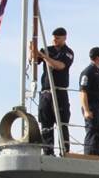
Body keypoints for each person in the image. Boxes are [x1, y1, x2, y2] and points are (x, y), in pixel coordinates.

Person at [29, 27, 75, 155]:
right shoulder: (47, 49)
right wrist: (32, 50)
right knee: (46, 123)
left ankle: (64, 151)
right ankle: (48, 151)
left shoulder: (68, 52)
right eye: (54, 38)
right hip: (46, 91)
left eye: (58, 38)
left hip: (59, 91)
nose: (55, 40)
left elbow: (59, 65)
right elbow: (33, 61)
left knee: (62, 122)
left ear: (64, 38)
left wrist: (44, 56)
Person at [79, 46, 99, 156]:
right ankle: (88, 157)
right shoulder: (88, 72)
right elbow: (83, 92)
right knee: (92, 134)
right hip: (91, 106)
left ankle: (97, 156)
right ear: (98, 57)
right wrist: (86, 110)